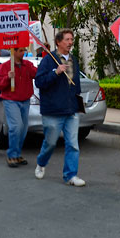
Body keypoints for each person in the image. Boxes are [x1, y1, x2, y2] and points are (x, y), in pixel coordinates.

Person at [34, 29, 85, 186]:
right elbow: (39, 82)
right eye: (67, 39)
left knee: (73, 144)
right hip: (53, 111)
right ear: (58, 42)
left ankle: (71, 175)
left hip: (71, 110)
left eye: (72, 39)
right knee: (50, 143)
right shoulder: (49, 60)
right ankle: (41, 163)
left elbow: (74, 83)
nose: (70, 42)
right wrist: (55, 72)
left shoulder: (73, 59)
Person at [0, 45, 37, 167]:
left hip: (25, 100)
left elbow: (37, 74)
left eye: (24, 50)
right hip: (11, 100)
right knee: (16, 126)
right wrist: (7, 78)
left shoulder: (28, 65)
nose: (23, 52)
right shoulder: (5, 66)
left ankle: (17, 154)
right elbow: (0, 86)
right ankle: (12, 155)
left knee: (23, 129)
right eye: (20, 50)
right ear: (13, 51)